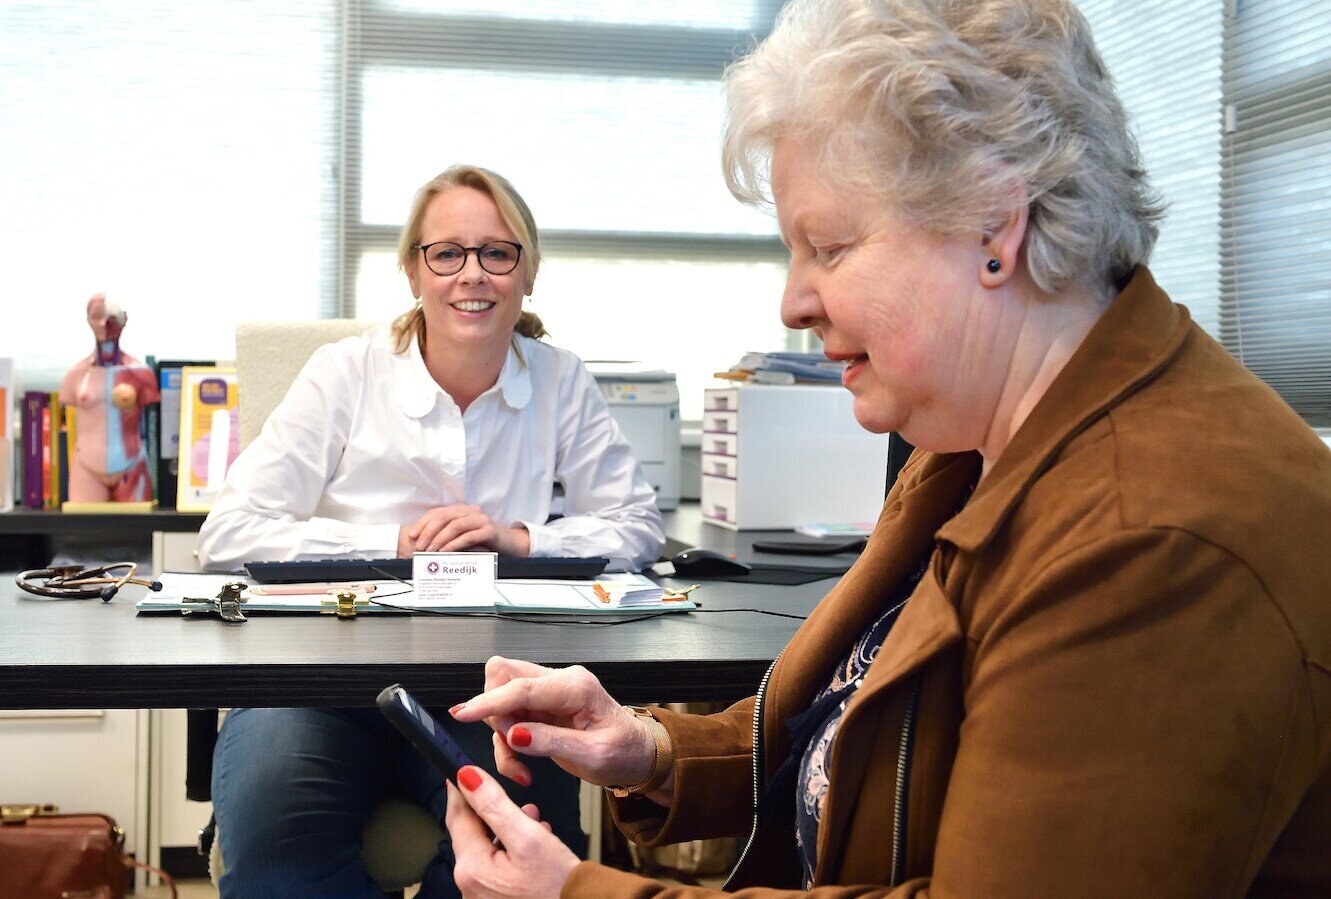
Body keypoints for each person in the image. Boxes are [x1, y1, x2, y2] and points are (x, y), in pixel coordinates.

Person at [438, 1, 1331, 896]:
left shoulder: (1150, 538)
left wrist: (571, 892)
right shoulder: (972, 445)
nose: (792, 301)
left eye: (827, 246)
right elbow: (850, 735)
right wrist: (651, 750)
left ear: (993, 224)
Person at [196, 164, 665, 897]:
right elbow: (230, 531)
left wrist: (517, 540)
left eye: (496, 252)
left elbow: (638, 527)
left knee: (523, 859)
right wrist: (394, 545)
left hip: (490, 684)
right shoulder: (345, 373)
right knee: (282, 855)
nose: (470, 275)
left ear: (527, 271)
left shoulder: (558, 378)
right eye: (446, 253)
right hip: (314, 675)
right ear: (415, 271)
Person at [59, 293, 160, 503]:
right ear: (88, 321)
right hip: (87, 466)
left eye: (112, 317)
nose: (105, 324)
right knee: (83, 531)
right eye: (97, 316)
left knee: (141, 532)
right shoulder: (76, 374)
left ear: (124, 321)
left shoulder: (140, 373)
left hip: (131, 464)